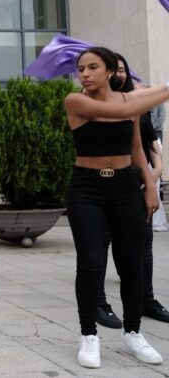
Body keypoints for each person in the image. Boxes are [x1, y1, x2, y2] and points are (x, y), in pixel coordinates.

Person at [64, 46, 169, 369]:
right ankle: (88, 335)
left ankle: (133, 332)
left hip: (125, 186)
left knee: (132, 264)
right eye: (81, 68)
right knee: (91, 262)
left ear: (111, 71)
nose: (85, 73)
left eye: (93, 67)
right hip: (87, 188)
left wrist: (150, 187)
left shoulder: (130, 104)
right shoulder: (75, 101)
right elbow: (119, 114)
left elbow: (136, 147)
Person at [94, 54, 169, 332]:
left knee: (144, 247)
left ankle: (146, 300)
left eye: (123, 69)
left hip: (136, 186)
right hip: (104, 185)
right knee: (100, 245)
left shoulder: (138, 109)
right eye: (115, 70)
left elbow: (150, 150)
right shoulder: (92, 105)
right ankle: (98, 302)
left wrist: (151, 178)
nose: (119, 75)